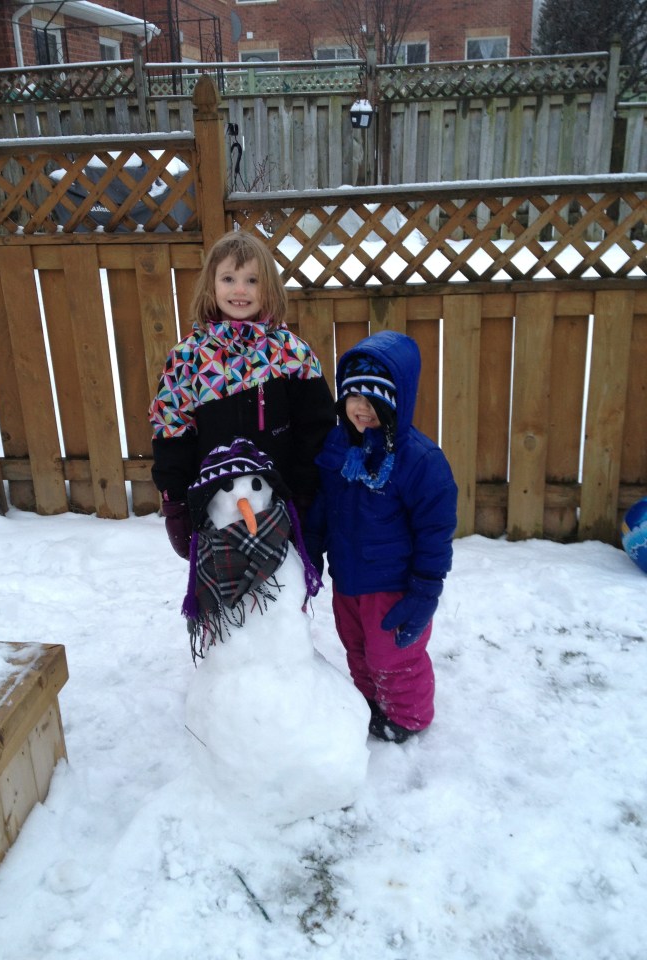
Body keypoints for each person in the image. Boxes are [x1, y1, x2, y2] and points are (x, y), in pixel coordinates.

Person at [306, 330, 458, 743]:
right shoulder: (338, 446)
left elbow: (434, 533)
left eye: (375, 398)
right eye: (354, 396)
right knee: (357, 649)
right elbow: (323, 505)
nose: (362, 408)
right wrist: (310, 553)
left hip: (392, 587)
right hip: (347, 580)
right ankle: (369, 703)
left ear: (399, 400)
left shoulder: (420, 461)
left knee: (394, 656)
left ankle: (407, 717)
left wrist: (425, 591)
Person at [149, 230, 336, 558]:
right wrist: (175, 501)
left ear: (269, 288)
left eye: (252, 280)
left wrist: (308, 493)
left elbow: (316, 430)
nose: (240, 290)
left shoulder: (291, 354)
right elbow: (172, 430)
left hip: (283, 506)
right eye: (228, 279)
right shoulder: (189, 358)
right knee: (224, 588)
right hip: (215, 510)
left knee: (287, 587)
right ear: (211, 285)